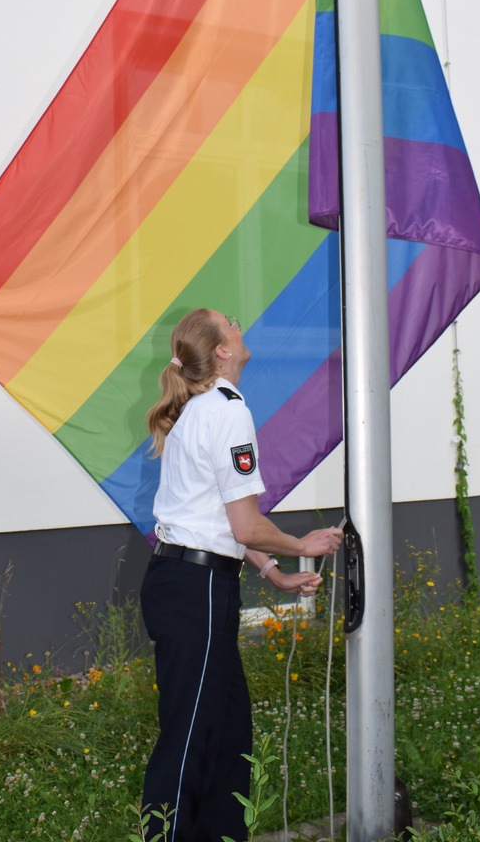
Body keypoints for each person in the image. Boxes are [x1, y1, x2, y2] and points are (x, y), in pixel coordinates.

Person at [141, 308, 344, 842]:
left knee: (229, 733)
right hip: (196, 590)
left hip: (194, 581)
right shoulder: (227, 412)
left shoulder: (201, 409)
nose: (238, 323)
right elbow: (246, 525)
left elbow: (214, 518)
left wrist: (272, 571)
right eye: (229, 322)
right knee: (189, 737)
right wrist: (300, 545)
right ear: (223, 351)